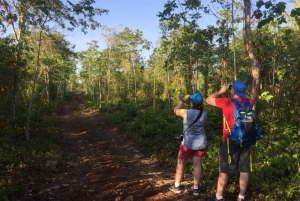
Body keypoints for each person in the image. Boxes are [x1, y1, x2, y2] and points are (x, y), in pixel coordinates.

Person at [205, 80, 253, 201]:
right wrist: (241, 92)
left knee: (224, 170)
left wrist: (222, 91)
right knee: (244, 170)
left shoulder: (227, 102)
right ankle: (241, 197)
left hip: (229, 141)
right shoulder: (249, 102)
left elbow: (208, 99)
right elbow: (249, 97)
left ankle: (219, 197)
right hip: (246, 139)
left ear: (233, 91)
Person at [169, 92, 208, 196]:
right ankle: (196, 189)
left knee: (180, 163)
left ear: (191, 102)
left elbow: (175, 110)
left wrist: (183, 100)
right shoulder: (204, 114)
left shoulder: (186, 112)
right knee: (197, 164)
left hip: (188, 143)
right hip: (201, 143)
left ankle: (176, 186)